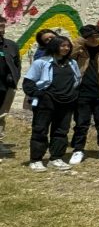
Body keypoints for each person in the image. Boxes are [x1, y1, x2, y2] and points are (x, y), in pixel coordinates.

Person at [22, 36, 80, 171]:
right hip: (46, 103)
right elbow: (28, 83)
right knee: (40, 130)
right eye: (62, 46)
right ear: (54, 46)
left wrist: (74, 95)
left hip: (66, 102)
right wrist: (41, 95)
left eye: (68, 46)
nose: (66, 48)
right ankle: (36, 159)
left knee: (61, 131)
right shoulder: (41, 63)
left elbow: (77, 81)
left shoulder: (72, 63)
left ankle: (56, 158)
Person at [69, 24, 99, 164]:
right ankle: (78, 150)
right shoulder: (78, 52)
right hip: (82, 94)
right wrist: (80, 41)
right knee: (81, 124)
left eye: (96, 36)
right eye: (90, 37)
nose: (94, 39)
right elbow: (67, 54)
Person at [0, 16, 22, 155]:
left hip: (6, 87)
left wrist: (14, 79)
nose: (1, 29)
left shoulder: (11, 45)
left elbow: (17, 65)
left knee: (1, 116)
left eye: (3, 25)